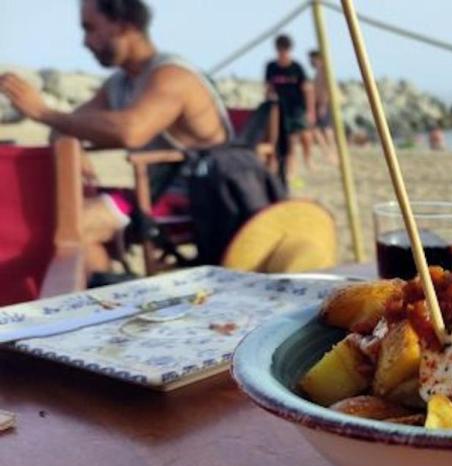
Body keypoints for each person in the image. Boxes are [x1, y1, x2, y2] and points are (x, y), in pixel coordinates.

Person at [0, 0, 231, 276]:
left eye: (90, 28)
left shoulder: (172, 76)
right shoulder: (121, 83)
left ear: (124, 26)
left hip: (196, 199)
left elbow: (131, 131)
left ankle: (105, 295)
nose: (85, 42)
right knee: (64, 222)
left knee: (72, 224)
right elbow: (64, 127)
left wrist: (43, 111)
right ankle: (109, 291)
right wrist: (72, 143)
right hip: (153, 192)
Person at [265, 35, 315, 185]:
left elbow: (307, 90)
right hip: (280, 110)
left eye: (285, 50)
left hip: (297, 108)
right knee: (287, 142)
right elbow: (268, 89)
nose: (283, 53)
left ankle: (306, 160)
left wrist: (310, 111)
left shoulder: (297, 68)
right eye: (280, 50)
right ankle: (288, 170)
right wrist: (268, 106)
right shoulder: (271, 67)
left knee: (303, 137)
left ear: (289, 50)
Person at [307, 49, 337, 165]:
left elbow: (326, 88)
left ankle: (332, 152)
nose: (311, 62)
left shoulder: (324, 71)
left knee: (326, 129)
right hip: (319, 104)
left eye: (312, 60)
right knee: (317, 129)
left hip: (323, 104)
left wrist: (323, 105)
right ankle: (328, 152)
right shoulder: (319, 72)